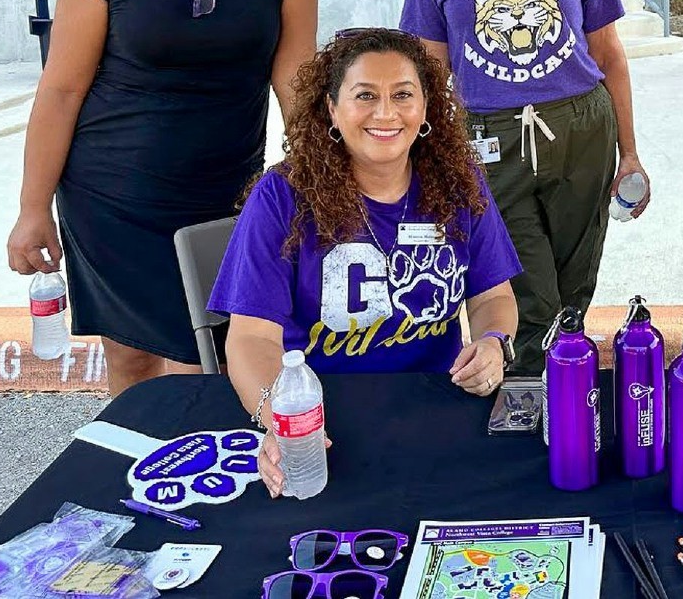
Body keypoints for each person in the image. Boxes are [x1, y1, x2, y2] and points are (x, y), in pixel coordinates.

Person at [5, 0, 318, 395]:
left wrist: (322, 177)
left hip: (230, 194)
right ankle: (139, 477)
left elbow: (296, 80)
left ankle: (207, 473)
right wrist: (32, 208)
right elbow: (61, 90)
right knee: (133, 361)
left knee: (215, 360)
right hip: (114, 198)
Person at [399, 0, 649, 373]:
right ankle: (529, 399)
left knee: (574, 284)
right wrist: (427, 156)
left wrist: (630, 154)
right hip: (488, 136)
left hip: (582, 127)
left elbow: (609, 55)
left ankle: (563, 396)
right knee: (520, 288)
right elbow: (429, 68)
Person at [208, 29, 521, 497]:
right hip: (326, 427)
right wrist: (283, 420)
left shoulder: (459, 184)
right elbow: (251, 338)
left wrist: (494, 343)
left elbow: (494, 297)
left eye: (403, 95)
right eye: (365, 96)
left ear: (427, 108)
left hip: (436, 410)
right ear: (332, 110)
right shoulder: (282, 196)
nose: (386, 113)